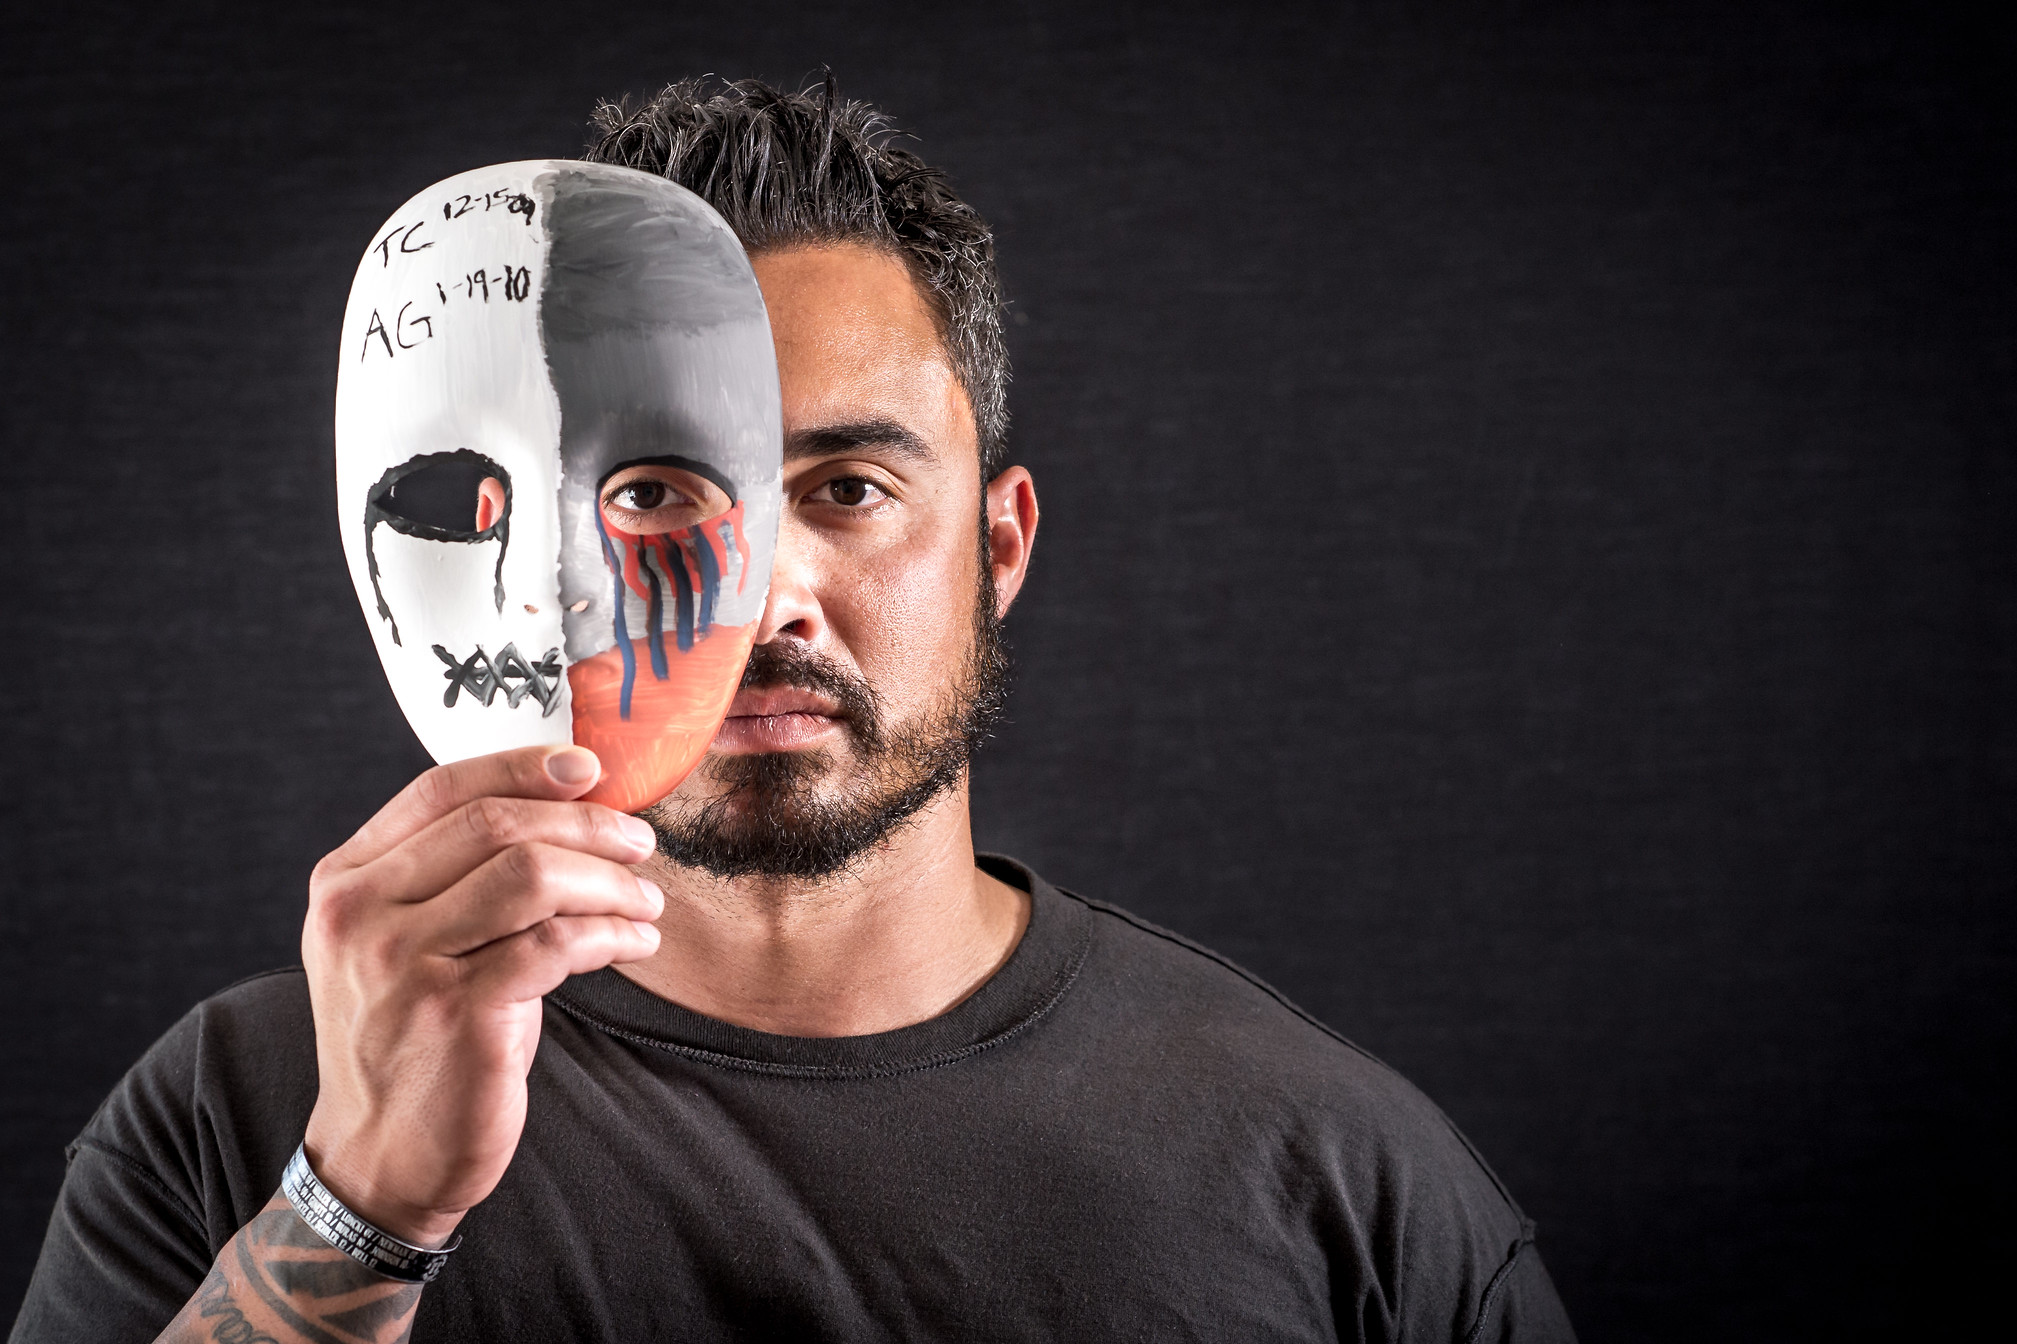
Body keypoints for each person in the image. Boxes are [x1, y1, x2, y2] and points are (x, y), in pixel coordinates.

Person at [10, 77, 1576, 1344]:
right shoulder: (253, 1114)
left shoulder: (1337, 1177)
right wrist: (357, 1212)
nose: (760, 596)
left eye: (845, 486)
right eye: (650, 491)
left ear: (1000, 540)